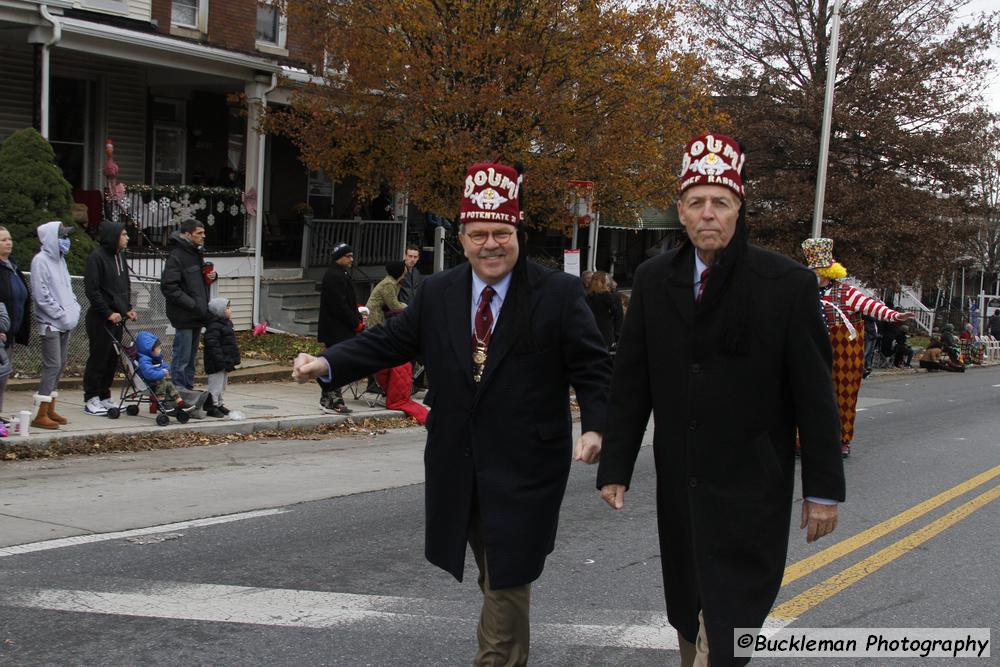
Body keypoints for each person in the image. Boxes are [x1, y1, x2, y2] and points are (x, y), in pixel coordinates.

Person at [292, 161, 611, 666]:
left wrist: (595, 427)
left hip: (526, 467)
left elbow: (593, 368)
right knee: (495, 575)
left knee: (507, 575)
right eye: (479, 234)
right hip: (458, 464)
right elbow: (390, 340)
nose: (491, 244)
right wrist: (328, 362)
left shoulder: (557, 294)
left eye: (501, 233)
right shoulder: (440, 293)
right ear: (461, 238)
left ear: (518, 233)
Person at [596, 134, 845, 667]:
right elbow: (631, 383)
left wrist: (823, 489)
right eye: (696, 202)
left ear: (738, 209)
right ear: (681, 211)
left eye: (721, 202)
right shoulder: (653, 280)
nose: (708, 214)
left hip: (751, 490)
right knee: (689, 613)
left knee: (729, 631)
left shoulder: (787, 284)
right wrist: (615, 464)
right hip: (680, 483)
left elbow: (815, 397)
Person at [800, 237, 914, 457]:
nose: (813, 273)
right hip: (813, 346)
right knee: (807, 393)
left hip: (843, 350)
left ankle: (842, 439)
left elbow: (872, 307)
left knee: (843, 395)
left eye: (816, 270)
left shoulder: (846, 293)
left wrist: (895, 316)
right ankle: (804, 438)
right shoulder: (804, 292)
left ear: (827, 271)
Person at [30, 221, 82, 429]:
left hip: (65, 322)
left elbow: (68, 290)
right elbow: (42, 295)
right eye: (63, 236)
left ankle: (50, 408)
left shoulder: (61, 261)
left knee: (59, 365)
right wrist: (60, 315)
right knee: (52, 365)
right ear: (52, 237)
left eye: (67, 237)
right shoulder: (40, 261)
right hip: (50, 323)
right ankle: (40, 412)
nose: (66, 241)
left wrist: (74, 309)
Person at [82, 221, 135, 416]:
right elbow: (93, 290)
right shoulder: (96, 258)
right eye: (123, 234)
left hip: (118, 318)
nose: (127, 237)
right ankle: (91, 398)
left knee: (112, 359)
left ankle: (104, 395)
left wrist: (127, 308)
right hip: (100, 318)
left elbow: (124, 286)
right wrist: (107, 312)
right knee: (99, 357)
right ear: (113, 236)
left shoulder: (121, 256)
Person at [160, 220, 213, 391]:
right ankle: (178, 394)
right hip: (184, 315)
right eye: (199, 233)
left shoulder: (196, 253)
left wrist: (211, 277)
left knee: (191, 359)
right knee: (182, 358)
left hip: (198, 314)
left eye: (204, 232)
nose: (203, 236)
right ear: (188, 234)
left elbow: (196, 283)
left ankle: (188, 392)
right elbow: (169, 287)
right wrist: (192, 304)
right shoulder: (177, 255)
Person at [316, 242, 361, 414]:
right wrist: (354, 321)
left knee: (336, 364)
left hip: (341, 329)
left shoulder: (341, 273)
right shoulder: (333, 276)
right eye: (348, 256)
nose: (351, 259)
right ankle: (334, 399)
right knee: (336, 364)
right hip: (335, 329)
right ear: (339, 257)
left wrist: (357, 316)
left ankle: (328, 398)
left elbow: (348, 302)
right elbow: (339, 305)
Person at [0, 226, 30, 418]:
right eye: (3, 240)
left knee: (2, 378)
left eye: (9, 239)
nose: (8, 242)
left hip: (10, 332)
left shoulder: (12, 265)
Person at [202, 297, 240, 417]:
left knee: (222, 385)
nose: (231, 310)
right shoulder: (214, 326)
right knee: (215, 386)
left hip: (224, 361)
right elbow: (213, 345)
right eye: (227, 308)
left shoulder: (227, 324)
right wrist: (219, 360)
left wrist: (234, 358)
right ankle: (211, 406)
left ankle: (219, 404)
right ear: (220, 311)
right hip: (216, 362)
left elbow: (231, 343)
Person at [134, 331, 186, 412]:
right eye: (158, 348)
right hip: (148, 383)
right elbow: (149, 374)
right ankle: (161, 402)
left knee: (169, 384)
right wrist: (162, 372)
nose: (160, 350)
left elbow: (163, 365)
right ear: (150, 350)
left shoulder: (154, 358)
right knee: (162, 382)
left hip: (154, 381)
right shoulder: (144, 361)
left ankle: (179, 401)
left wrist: (166, 369)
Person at [585, 270, 622, 351]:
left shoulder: (589, 295)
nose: (608, 281)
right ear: (602, 281)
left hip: (592, 327)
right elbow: (615, 312)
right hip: (605, 329)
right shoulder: (606, 295)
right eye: (606, 279)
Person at [365, 261, 407, 329]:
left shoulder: (393, 282)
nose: (406, 268)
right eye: (404, 267)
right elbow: (394, 306)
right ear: (399, 271)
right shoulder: (388, 284)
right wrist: (406, 306)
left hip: (379, 316)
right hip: (375, 318)